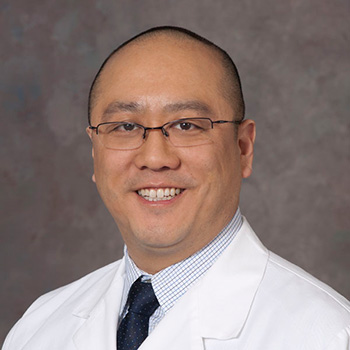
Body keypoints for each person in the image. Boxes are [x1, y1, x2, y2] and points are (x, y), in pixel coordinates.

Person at [2, 26, 349, 350]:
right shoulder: (37, 329)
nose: (154, 158)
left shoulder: (326, 335)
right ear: (95, 152)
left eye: (187, 125)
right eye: (124, 126)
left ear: (243, 148)